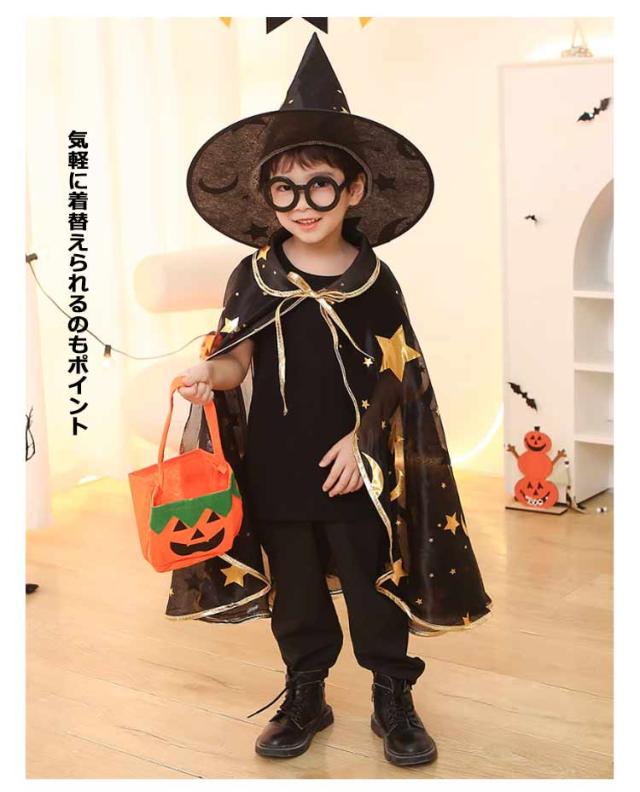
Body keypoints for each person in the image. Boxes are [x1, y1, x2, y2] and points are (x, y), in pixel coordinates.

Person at [171, 33, 493, 768]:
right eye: (285, 190)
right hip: (278, 462)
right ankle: (305, 691)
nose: (302, 205)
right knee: (296, 589)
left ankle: (392, 693)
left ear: (353, 190)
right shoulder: (254, 274)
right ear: (268, 196)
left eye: (320, 186)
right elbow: (236, 358)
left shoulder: (374, 279)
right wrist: (207, 376)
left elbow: (399, 375)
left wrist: (363, 441)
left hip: (356, 466)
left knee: (371, 580)